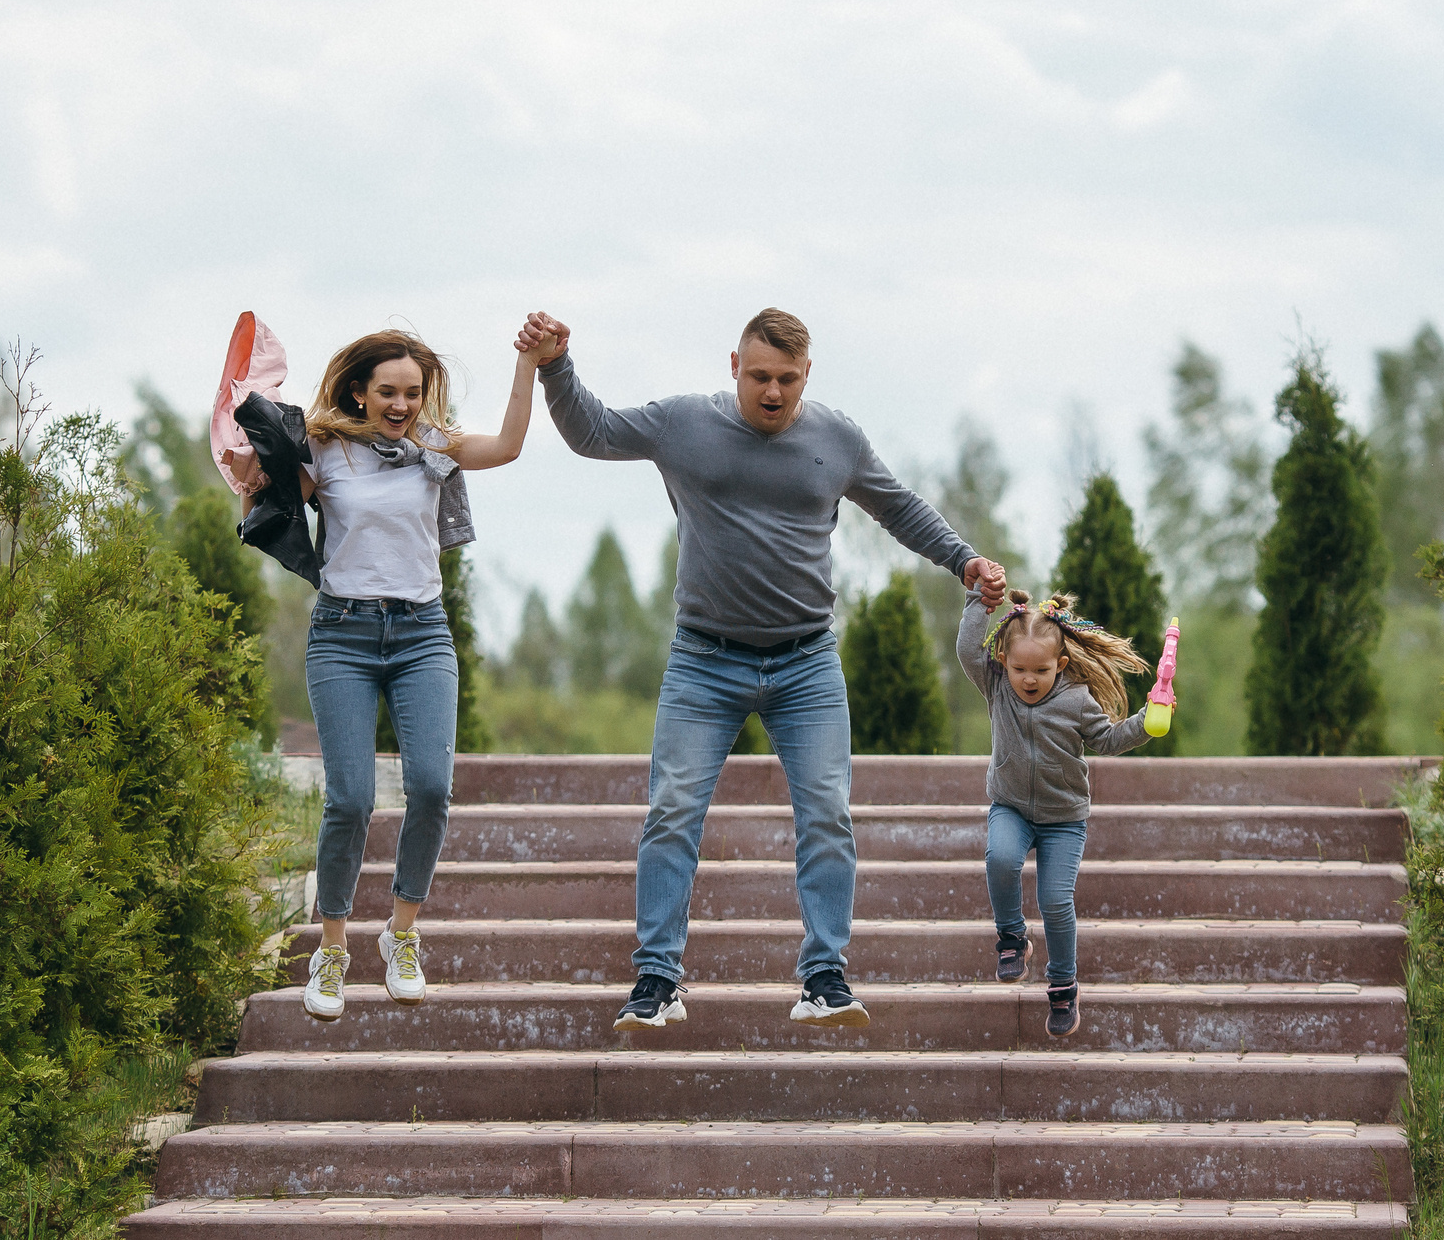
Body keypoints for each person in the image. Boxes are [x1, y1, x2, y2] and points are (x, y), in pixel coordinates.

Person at [520, 307, 1007, 1031]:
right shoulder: (685, 423)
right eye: (759, 377)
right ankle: (657, 981)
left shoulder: (836, 438)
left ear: (806, 374)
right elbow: (591, 431)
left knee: (828, 814)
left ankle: (825, 978)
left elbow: (898, 506)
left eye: (786, 379)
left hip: (806, 661)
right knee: (672, 810)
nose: (772, 393)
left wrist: (963, 558)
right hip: (704, 660)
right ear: (733, 366)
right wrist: (555, 365)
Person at [245, 322, 558, 1023]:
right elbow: (271, 496)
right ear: (359, 390)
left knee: (431, 786)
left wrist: (527, 364)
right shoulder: (324, 448)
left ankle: (402, 932)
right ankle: (332, 948)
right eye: (388, 390)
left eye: (412, 391)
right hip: (343, 635)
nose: (401, 403)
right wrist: (250, 468)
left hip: (421, 634)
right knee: (350, 798)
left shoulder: (433, 448)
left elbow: (507, 445)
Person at [956, 587, 1155, 1038]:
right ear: (1004, 661)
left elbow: (1107, 739)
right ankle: (1012, 939)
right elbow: (969, 649)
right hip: (1010, 807)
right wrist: (977, 603)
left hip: (1064, 819)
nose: (1029, 679)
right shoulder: (997, 687)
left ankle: (1063, 986)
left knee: (1054, 901)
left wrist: (1146, 721)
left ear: (1060, 665)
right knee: (1001, 859)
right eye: (1020, 668)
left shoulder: (1076, 700)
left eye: (1041, 670)